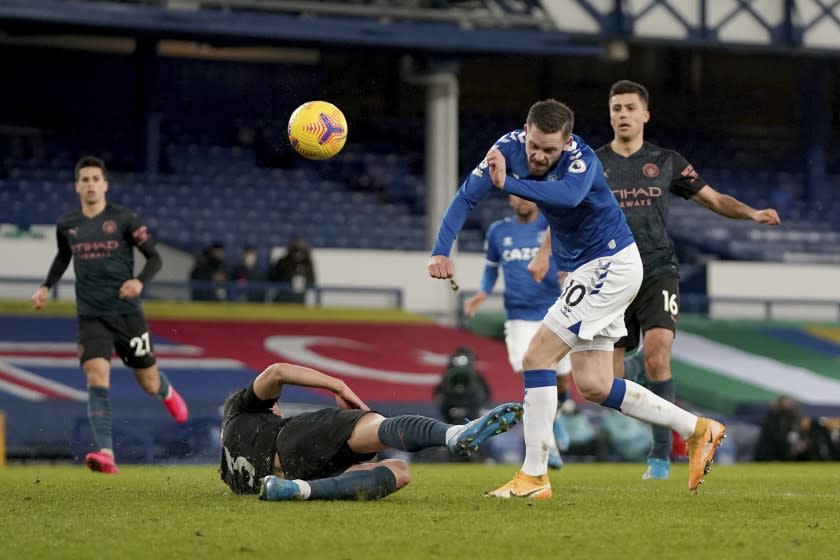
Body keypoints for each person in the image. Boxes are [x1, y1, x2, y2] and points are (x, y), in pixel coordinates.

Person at [427, 99, 726, 498]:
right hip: (592, 270)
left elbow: (566, 197)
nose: (539, 155)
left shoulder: (581, 159)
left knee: (537, 357)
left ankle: (533, 477)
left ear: (566, 142)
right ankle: (698, 430)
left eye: (550, 149)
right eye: (535, 145)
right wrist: (441, 250)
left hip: (610, 264)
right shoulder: (506, 149)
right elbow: (466, 196)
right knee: (596, 384)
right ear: (526, 130)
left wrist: (508, 184)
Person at [593, 80, 780, 479]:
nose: (622, 114)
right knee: (608, 386)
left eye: (629, 108)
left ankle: (660, 457)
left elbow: (713, 200)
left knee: (659, 355)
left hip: (658, 270)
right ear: (609, 115)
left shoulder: (666, 161)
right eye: (616, 108)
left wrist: (751, 213)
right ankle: (638, 366)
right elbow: (569, 213)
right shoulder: (593, 164)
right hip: (611, 277)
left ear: (645, 115)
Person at [31, 156, 189, 474]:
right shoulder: (67, 225)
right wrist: (46, 286)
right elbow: (64, 256)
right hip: (91, 316)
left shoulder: (124, 219)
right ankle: (106, 453)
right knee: (96, 377)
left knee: (148, 381)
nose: (90, 184)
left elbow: (154, 258)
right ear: (77, 185)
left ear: (105, 184)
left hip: (127, 315)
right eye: (84, 179)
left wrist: (138, 282)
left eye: (95, 179)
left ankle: (165, 389)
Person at [219, 362, 524, 501]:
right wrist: (339, 386)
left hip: (294, 473)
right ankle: (452, 434)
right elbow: (277, 372)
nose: (278, 408)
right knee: (377, 426)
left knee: (400, 469)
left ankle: (296, 491)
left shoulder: (230, 470)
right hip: (288, 441)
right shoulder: (240, 409)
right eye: (275, 405)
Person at [463, 194, 572, 469]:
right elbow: (491, 269)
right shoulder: (499, 231)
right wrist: (481, 294)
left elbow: (570, 254)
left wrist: (567, 273)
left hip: (554, 313)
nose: (522, 200)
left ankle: (553, 419)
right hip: (519, 317)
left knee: (562, 383)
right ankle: (550, 444)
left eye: (527, 195)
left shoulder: (551, 226)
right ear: (509, 198)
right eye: (516, 194)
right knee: (534, 374)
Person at [269, 237, 316, 303]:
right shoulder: (283, 261)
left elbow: (312, 279)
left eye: (300, 249)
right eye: (296, 249)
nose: (298, 253)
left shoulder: (307, 263)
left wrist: (303, 283)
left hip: (299, 298)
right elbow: (273, 277)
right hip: (283, 297)